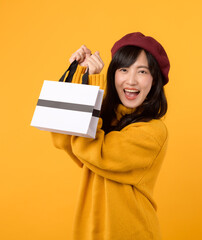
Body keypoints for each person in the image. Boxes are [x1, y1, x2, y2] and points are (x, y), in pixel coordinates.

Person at [51, 32, 170, 240]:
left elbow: (96, 151)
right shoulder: (104, 118)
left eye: (142, 71)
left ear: (154, 81)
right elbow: (63, 138)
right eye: (123, 69)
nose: (131, 80)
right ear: (113, 74)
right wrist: (80, 75)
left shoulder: (152, 132)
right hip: (91, 232)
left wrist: (91, 90)